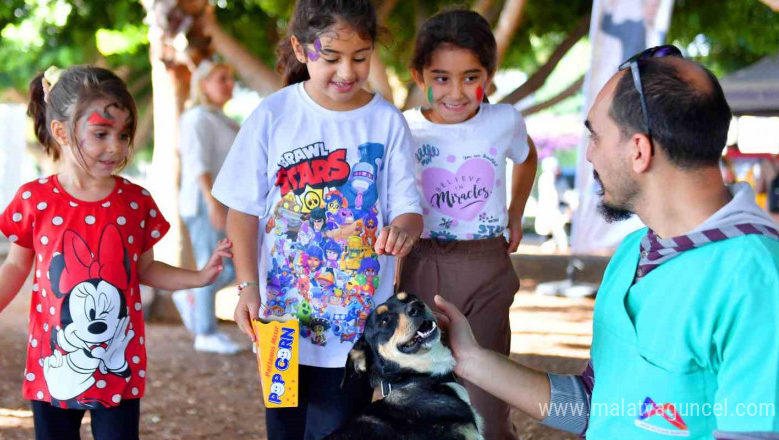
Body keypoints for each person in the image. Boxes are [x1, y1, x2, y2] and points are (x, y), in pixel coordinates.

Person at [434, 47, 779, 440]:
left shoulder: (765, 282)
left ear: (639, 151)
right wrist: (471, 360)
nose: (589, 153)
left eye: (595, 135)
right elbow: (595, 407)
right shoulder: (634, 253)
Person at [0, 65, 232, 440]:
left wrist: (199, 277)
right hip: (53, 363)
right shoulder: (35, 200)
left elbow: (147, 269)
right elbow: (15, 265)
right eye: (101, 133)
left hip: (118, 366)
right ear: (61, 132)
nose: (116, 147)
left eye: (123, 134)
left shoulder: (136, 202)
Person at [212, 1, 423, 438]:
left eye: (360, 57)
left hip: (355, 331)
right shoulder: (273, 116)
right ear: (300, 48)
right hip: (280, 322)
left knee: (337, 430)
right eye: (331, 58)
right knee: (284, 429)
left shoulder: (386, 122)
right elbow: (243, 210)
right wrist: (247, 287)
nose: (347, 71)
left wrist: (402, 230)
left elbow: (408, 207)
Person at [398, 10, 537, 440]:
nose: (456, 92)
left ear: (490, 76)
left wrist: (515, 212)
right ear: (419, 75)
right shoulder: (404, 127)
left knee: (486, 398)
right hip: (420, 263)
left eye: (470, 77)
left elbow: (527, 156)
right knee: (421, 390)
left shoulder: (504, 120)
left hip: (487, 267)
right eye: (441, 78)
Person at [176, 58, 243, 354]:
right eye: (221, 78)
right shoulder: (196, 118)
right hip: (205, 204)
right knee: (214, 265)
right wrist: (212, 203)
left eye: (230, 78)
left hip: (222, 203)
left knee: (227, 268)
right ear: (203, 85)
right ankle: (205, 332)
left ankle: (191, 296)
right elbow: (197, 165)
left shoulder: (221, 119)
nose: (229, 84)